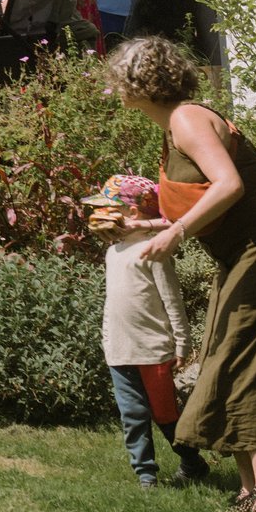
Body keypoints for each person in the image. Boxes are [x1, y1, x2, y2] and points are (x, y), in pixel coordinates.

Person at [112, 36, 256, 512]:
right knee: (226, 353)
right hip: (244, 249)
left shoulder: (187, 118)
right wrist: (149, 226)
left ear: (139, 82)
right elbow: (202, 198)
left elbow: (229, 184)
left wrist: (177, 232)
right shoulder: (175, 126)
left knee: (243, 356)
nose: (113, 88)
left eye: (118, 78)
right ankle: (250, 490)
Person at [95, 186, 209, 490]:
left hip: (153, 349)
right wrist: (108, 339)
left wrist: (182, 342)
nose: (101, 215)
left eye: (109, 209)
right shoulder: (112, 253)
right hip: (119, 350)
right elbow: (112, 303)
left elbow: (172, 300)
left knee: (165, 413)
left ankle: (192, 462)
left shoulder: (154, 251)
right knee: (132, 415)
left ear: (133, 213)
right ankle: (146, 475)